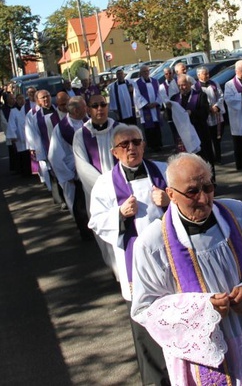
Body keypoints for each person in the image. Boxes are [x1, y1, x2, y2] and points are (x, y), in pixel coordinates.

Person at [131, 153, 242, 386]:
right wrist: (202, 310)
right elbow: (145, 308)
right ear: (171, 195)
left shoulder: (238, 214)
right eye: (192, 191)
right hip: (201, 356)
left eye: (208, 187)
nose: (204, 198)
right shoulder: (153, 243)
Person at [88, 124, 170, 385]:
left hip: (170, 260)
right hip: (135, 263)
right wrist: (119, 215)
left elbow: (191, 202)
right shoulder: (105, 184)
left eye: (136, 142)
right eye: (125, 145)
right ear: (114, 152)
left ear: (144, 145)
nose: (131, 148)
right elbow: (96, 222)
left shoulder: (165, 171)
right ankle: (155, 380)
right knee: (145, 327)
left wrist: (170, 202)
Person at [73, 93, 119, 275]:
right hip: (97, 194)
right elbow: (82, 167)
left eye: (103, 104)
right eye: (95, 106)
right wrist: (105, 186)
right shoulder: (81, 135)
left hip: (122, 192)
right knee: (107, 235)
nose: (99, 109)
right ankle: (117, 270)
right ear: (88, 110)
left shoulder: (120, 129)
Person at [49, 96, 92, 241]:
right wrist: (69, 175)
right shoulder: (61, 129)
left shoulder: (87, 122)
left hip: (90, 170)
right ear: (76, 110)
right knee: (79, 206)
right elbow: (54, 156)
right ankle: (85, 233)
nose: (87, 109)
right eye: (84, 107)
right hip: (73, 173)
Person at [170, 74, 215, 172]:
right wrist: (168, 109)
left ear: (190, 84)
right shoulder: (174, 98)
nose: (181, 88)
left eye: (184, 85)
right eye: (179, 85)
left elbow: (204, 113)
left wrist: (192, 113)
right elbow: (169, 117)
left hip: (199, 133)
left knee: (204, 160)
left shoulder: (200, 95)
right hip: (183, 136)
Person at [25, 89, 60, 191]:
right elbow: (30, 131)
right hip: (44, 146)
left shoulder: (58, 109)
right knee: (48, 170)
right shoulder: (33, 114)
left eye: (47, 96)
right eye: (43, 97)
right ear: (37, 100)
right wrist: (33, 147)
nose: (46, 99)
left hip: (60, 145)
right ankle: (55, 191)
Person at [197, 66, 226, 164]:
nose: (207, 75)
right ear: (199, 75)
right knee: (206, 139)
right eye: (205, 74)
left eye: (208, 73)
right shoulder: (195, 87)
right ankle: (210, 158)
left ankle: (218, 157)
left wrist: (217, 106)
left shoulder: (214, 84)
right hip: (205, 116)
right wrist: (208, 108)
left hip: (216, 114)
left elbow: (221, 96)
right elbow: (196, 101)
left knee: (217, 138)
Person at [134, 65, 164, 151]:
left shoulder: (155, 81)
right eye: (144, 72)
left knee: (156, 127)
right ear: (141, 73)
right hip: (146, 109)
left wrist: (157, 102)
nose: (146, 73)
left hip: (155, 108)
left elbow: (159, 93)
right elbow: (137, 96)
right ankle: (152, 146)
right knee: (149, 129)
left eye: (147, 71)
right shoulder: (138, 83)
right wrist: (146, 104)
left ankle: (159, 144)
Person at [6, 93, 32, 177]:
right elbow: (11, 124)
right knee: (22, 154)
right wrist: (12, 135)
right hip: (20, 135)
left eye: (23, 98)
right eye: (19, 99)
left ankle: (33, 170)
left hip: (29, 135)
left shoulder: (29, 109)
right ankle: (24, 172)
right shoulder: (13, 111)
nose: (22, 100)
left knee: (30, 153)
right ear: (16, 100)